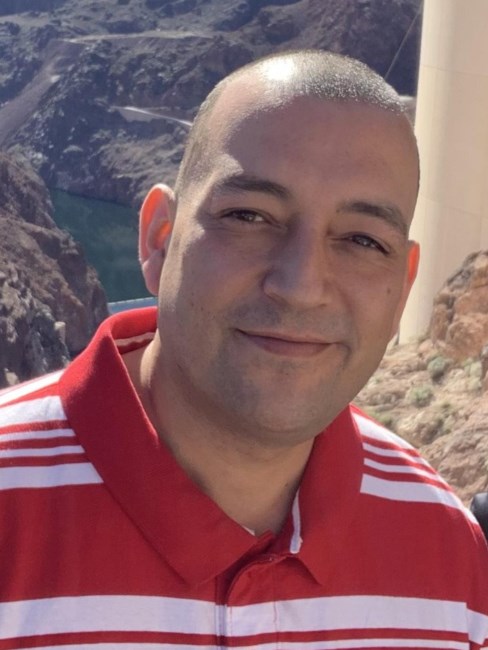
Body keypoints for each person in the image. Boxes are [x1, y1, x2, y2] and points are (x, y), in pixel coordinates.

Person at [1, 49, 487, 648]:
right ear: (159, 238)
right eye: (250, 216)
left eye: (363, 240)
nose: (301, 285)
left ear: (402, 290)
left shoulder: (447, 553)